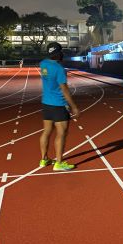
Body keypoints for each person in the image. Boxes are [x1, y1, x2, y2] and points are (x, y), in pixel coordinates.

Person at [38, 42, 80, 171]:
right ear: (58, 54)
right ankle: (59, 163)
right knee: (61, 133)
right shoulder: (59, 69)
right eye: (61, 52)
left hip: (46, 102)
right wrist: (73, 106)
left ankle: (44, 159)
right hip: (58, 104)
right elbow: (65, 89)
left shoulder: (43, 64)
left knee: (46, 131)